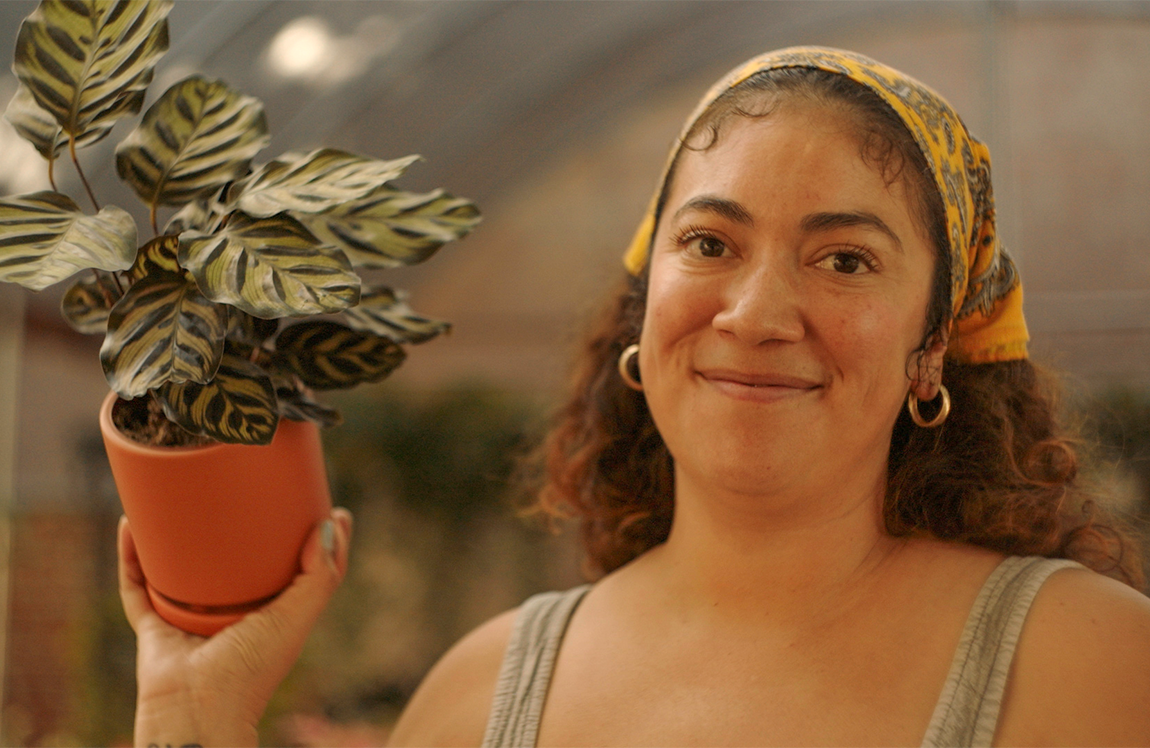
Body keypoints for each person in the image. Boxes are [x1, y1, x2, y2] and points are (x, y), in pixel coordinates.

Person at [119, 47, 1150, 747]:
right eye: (709, 243)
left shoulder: (1093, 670)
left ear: (935, 346)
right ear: (640, 307)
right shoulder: (477, 700)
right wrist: (195, 711)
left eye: (843, 259)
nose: (754, 312)